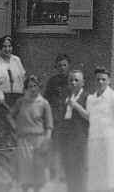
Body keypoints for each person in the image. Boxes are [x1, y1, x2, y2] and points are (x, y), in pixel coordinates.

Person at [84, 66, 114, 192]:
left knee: (108, 175)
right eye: (98, 79)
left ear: (109, 80)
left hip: (109, 142)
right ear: (94, 81)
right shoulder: (91, 99)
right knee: (95, 175)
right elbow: (90, 118)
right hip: (94, 141)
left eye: (103, 79)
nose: (100, 82)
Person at [9, 75, 54, 192]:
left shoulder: (44, 103)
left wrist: (46, 142)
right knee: (25, 168)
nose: (33, 89)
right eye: (30, 86)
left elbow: (49, 125)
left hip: (39, 139)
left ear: (39, 87)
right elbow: (10, 116)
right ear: (26, 88)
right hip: (24, 139)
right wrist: (16, 127)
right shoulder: (21, 101)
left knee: (38, 169)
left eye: (35, 86)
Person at [0, 35, 26, 150]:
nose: (7, 49)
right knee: (1, 124)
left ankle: (14, 150)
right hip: (3, 97)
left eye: (9, 46)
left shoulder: (16, 60)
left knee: (15, 124)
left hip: (17, 96)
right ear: (0, 47)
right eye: (4, 46)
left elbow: (23, 77)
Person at [56, 69, 90, 192]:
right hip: (67, 140)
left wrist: (77, 106)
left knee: (80, 171)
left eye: (76, 80)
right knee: (68, 170)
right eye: (71, 80)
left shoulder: (87, 97)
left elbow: (90, 117)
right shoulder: (67, 97)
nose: (73, 83)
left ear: (83, 82)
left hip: (80, 140)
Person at [42, 53, 72, 181]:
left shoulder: (73, 80)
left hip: (69, 118)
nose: (62, 68)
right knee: (55, 146)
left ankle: (65, 174)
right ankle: (55, 173)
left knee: (67, 146)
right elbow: (46, 100)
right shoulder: (52, 81)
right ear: (56, 67)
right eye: (59, 65)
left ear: (69, 66)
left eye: (65, 65)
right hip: (55, 118)